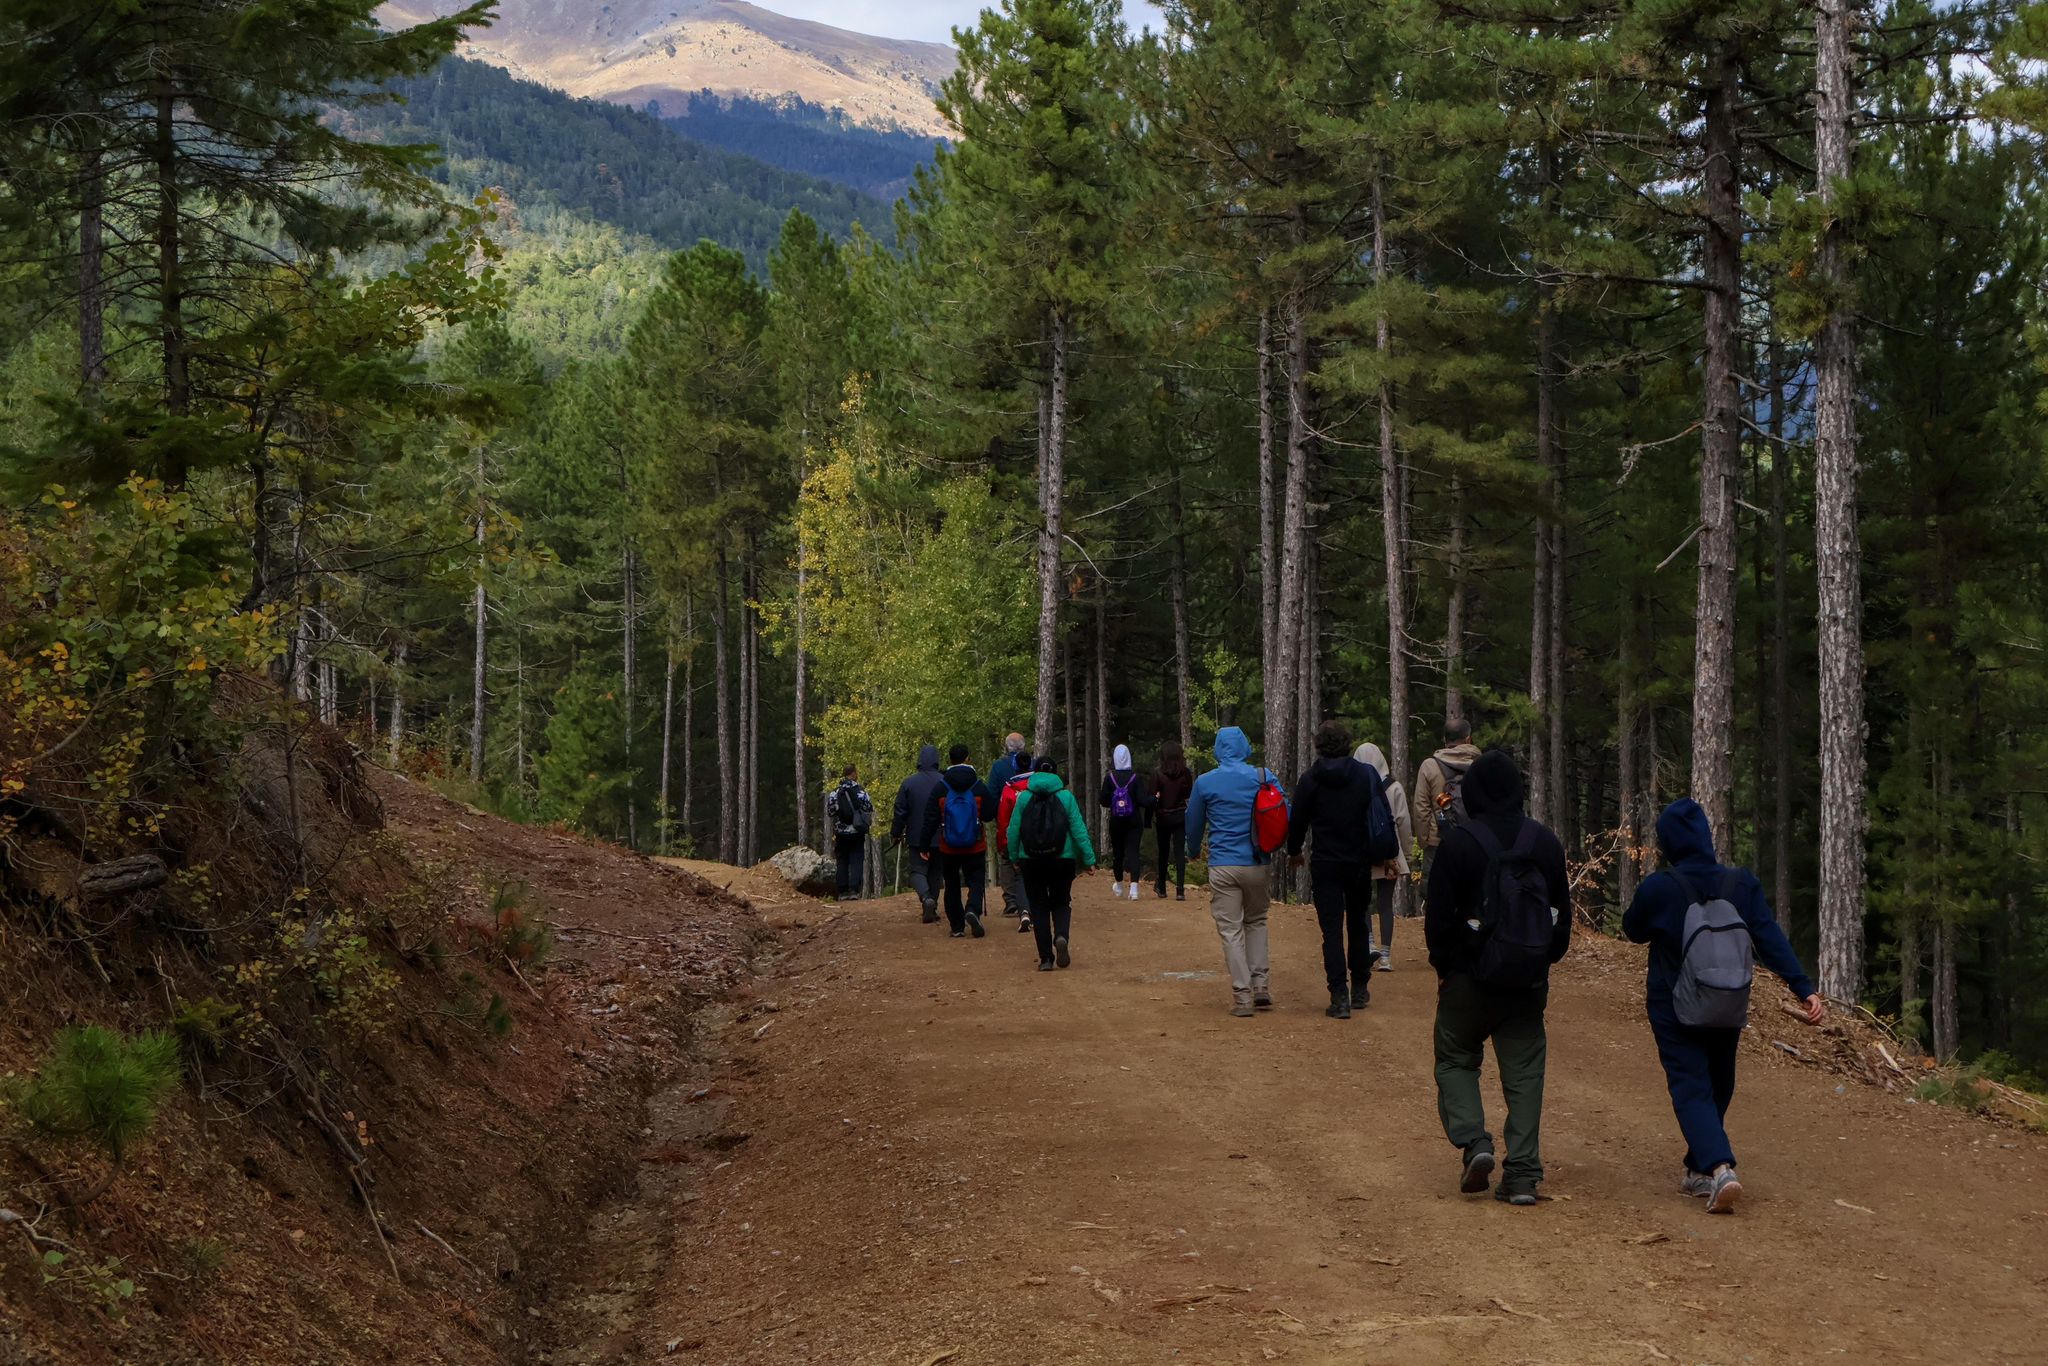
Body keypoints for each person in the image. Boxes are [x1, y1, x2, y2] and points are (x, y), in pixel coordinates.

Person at [1622, 797, 1825, 1215]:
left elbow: (1633, 930)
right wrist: (1803, 987)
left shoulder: (1660, 888)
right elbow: (1769, 938)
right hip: (1728, 999)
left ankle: (1719, 1168)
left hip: (1674, 1003)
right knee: (1718, 1081)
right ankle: (1699, 1168)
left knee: (1690, 1084)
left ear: (1667, 845)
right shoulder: (1741, 884)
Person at [1424, 748, 1571, 1206]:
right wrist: (1541, 960)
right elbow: (1560, 920)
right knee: (1525, 1073)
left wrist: (1446, 969)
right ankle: (1523, 1175)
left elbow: (1438, 922)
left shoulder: (1459, 843)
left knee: (1454, 1059)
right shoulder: (1544, 842)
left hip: (1469, 978)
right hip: (1526, 980)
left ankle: (1475, 1143)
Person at [1287, 721, 1397, 1019]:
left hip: (1326, 863)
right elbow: (1383, 815)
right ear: (1348, 743)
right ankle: (1360, 988)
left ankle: (1339, 996)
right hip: (1359, 861)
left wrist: (1294, 850)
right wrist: (1387, 854)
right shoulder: (1366, 774)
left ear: (1319, 745)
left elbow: (1297, 820)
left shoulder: (1311, 779)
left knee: (1331, 931)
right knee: (1359, 923)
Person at [1184, 725, 1284, 1018]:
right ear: (1244, 747)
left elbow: (1193, 823)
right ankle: (1261, 985)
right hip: (1257, 862)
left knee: (1231, 930)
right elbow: (1284, 811)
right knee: (1256, 921)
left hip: (1223, 865)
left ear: (1218, 749)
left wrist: (1192, 852)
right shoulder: (1264, 777)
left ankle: (1242, 997)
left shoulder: (1205, 782)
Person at [1007, 757, 1096, 971]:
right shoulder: (1066, 797)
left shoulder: (1024, 798)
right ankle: (1061, 936)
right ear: (1056, 773)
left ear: (1034, 773)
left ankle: (1046, 958)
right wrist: (1089, 859)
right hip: (1062, 859)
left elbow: (1013, 830)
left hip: (1030, 859)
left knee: (1038, 907)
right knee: (1061, 901)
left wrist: (1014, 857)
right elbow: (1078, 829)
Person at [920, 744, 995, 939]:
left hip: (948, 846)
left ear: (950, 760)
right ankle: (973, 909)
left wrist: (924, 844)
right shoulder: (978, 785)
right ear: (968, 759)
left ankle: (957, 926)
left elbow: (930, 818)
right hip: (975, 844)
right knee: (976, 880)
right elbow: (988, 814)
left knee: (952, 884)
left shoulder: (941, 787)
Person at [1354, 742, 1414, 971]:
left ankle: (1369, 945)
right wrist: (1405, 853)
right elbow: (1403, 822)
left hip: (1364, 851)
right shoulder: (1394, 787)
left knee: (1364, 902)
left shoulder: (1354, 785)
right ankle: (1386, 956)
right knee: (1385, 904)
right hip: (1390, 851)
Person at [1413, 718, 1482, 884]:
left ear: (1445, 740)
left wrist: (1425, 841)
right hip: (1474, 838)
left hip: (1439, 839)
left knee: (1436, 890)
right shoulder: (1480, 764)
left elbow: (1421, 808)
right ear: (1468, 739)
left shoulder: (1429, 765)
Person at [889, 743, 946, 923]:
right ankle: (932, 905)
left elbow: (900, 811)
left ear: (920, 761)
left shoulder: (909, 783)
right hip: (942, 835)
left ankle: (926, 898)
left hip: (917, 835)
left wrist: (896, 832)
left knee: (917, 870)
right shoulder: (945, 781)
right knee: (935, 872)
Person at [986, 733, 1034, 919]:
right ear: (1024, 746)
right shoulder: (1034, 763)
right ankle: (1029, 897)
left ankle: (1011, 900)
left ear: (1007, 747)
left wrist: (990, 815)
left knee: (1006, 857)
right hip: (1032, 818)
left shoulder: (999, 767)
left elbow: (991, 793)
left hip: (1006, 815)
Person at [1099, 744, 1150, 900]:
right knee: (1133, 852)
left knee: (1118, 854)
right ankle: (1134, 889)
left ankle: (1119, 886)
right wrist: (1153, 799)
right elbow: (1143, 800)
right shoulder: (1136, 778)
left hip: (1116, 821)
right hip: (1134, 821)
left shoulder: (1110, 778)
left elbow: (1103, 801)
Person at [994, 756, 1038, 936]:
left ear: (1014, 767)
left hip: (1016, 839)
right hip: (1038, 839)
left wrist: (1003, 843)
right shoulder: (1038, 786)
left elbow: (1004, 820)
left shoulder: (1009, 790)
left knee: (1016, 872)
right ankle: (1034, 906)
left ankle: (1015, 903)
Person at [1150, 741, 1195, 900]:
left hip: (1163, 816)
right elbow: (1189, 792)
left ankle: (1161, 887)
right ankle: (1180, 890)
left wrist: (1149, 818)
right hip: (1180, 815)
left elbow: (1152, 797)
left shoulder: (1157, 774)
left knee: (1163, 852)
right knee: (1179, 853)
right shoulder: (1186, 773)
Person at [826, 765, 874, 900]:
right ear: (853, 774)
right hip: (857, 831)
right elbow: (869, 808)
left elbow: (830, 812)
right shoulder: (861, 791)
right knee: (857, 860)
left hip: (841, 832)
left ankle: (842, 891)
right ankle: (854, 890)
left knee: (842, 861)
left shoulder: (835, 792)